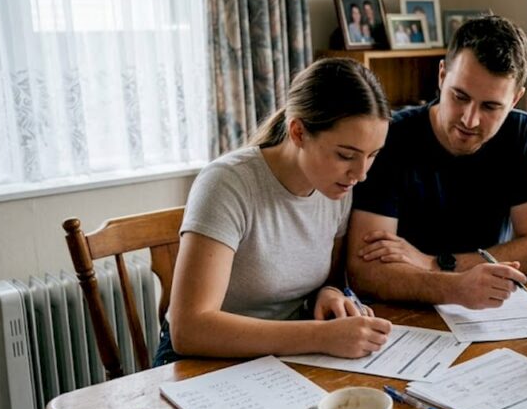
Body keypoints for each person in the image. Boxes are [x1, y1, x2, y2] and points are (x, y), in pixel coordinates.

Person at [155, 58, 393, 365]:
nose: (360, 174)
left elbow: (326, 280)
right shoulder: (227, 183)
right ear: (298, 133)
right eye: (346, 155)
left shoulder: (337, 187)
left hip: (285, 355)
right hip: (202, 359)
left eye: (372, 155)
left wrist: (330, 294)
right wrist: (321, 336)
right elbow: (190, 329)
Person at [348, 15, 527, 309]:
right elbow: (365, 271)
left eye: (490, 106)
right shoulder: (391, 137)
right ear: (441, 75)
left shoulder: (522, 133)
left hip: (488, 310)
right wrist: (457, 287)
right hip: (402, 315)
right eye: (460, 96)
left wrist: (435, 263)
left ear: (514, 101)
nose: (469, 119)